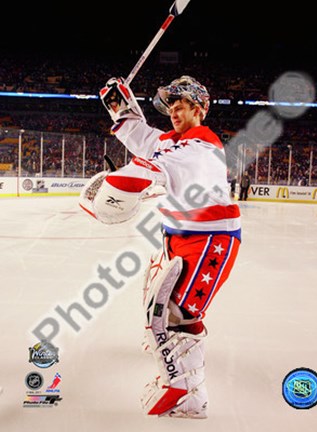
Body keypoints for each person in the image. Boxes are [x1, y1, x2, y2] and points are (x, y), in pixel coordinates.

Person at [79, 76, 241, 418]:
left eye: (180, 106)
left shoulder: (200, 147)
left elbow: (150, 167)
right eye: (171, 108)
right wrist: (121, 110)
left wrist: (111, 186)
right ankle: (178, 367)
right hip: (179, 235)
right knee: (164, 306)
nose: (173, 113)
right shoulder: (175, 141)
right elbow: (146, 139)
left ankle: (190, 397)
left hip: (209, 240)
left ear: (199, 110)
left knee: (179, 316)